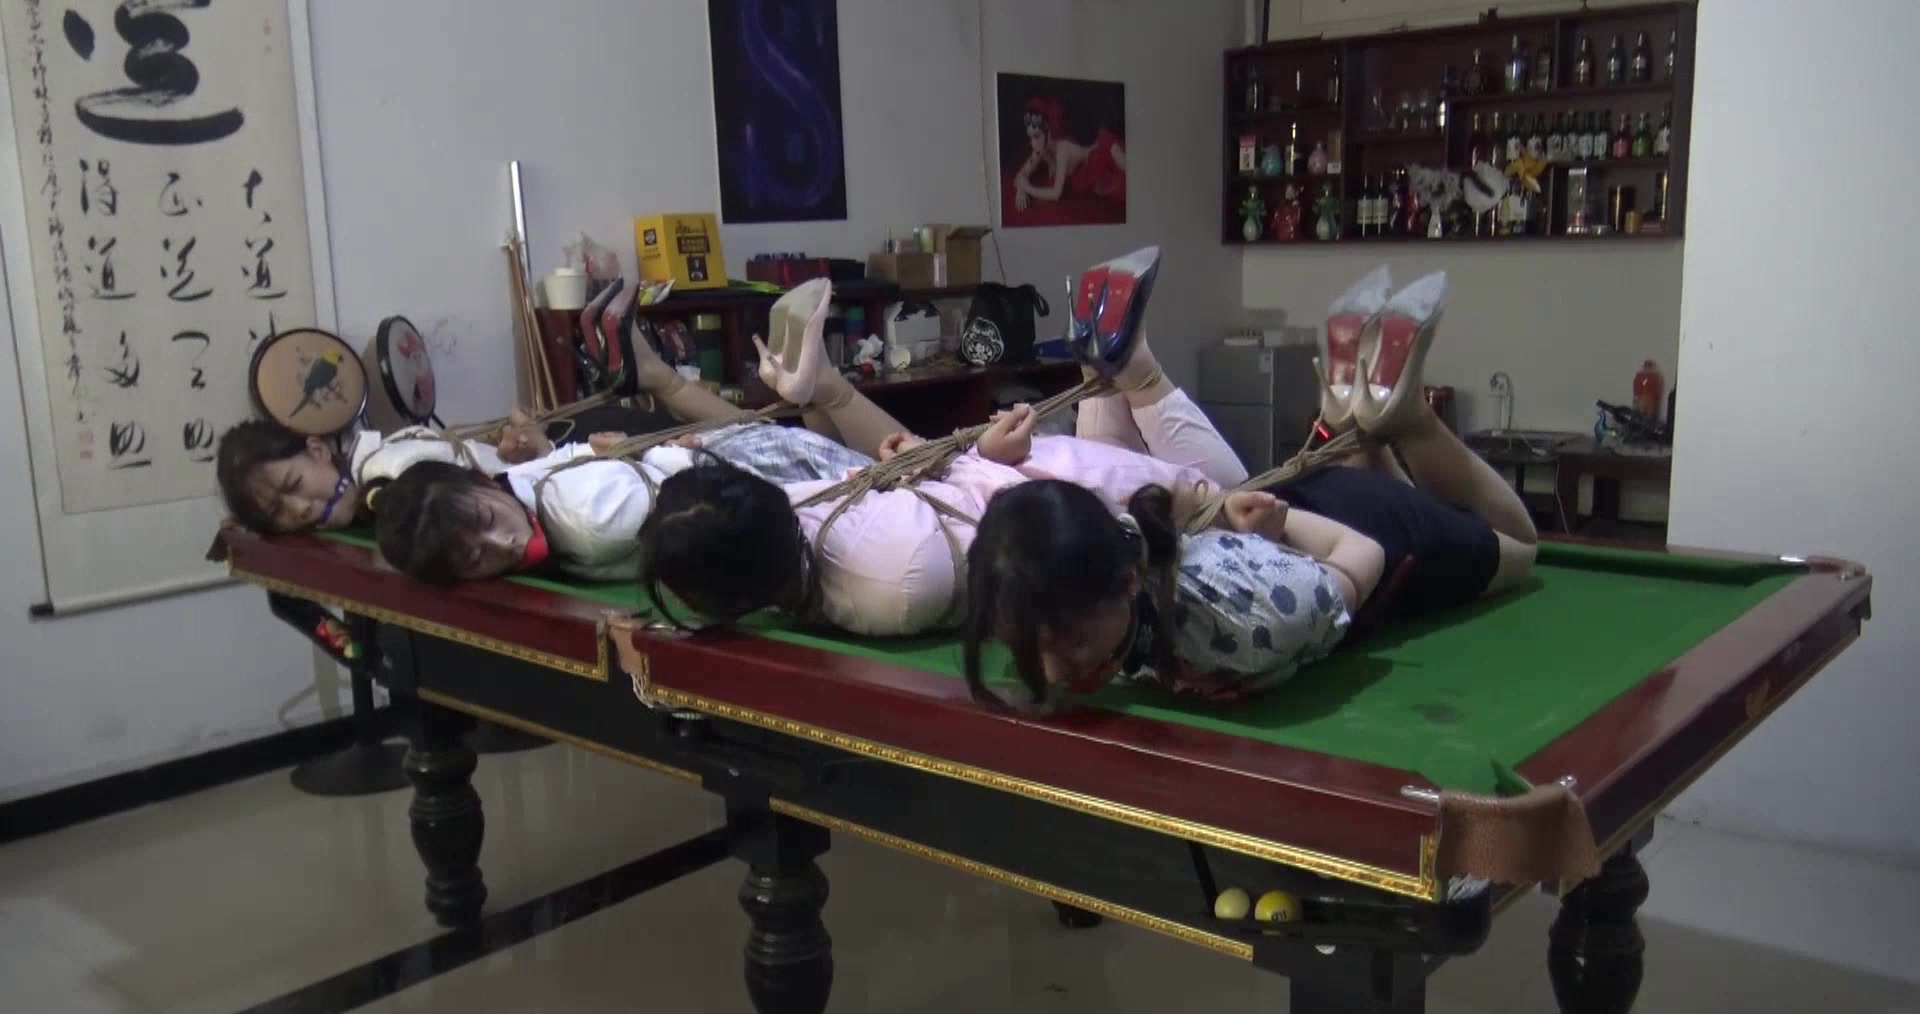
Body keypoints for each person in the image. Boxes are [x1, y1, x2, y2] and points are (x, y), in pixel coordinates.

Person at [962, 268, 1540, 706]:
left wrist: (1265, 526)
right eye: (1032, 649)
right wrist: (1233, 521)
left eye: (1073, 642)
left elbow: (1363, 552)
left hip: (1372, 538)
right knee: (1362, 470)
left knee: (1520, 544)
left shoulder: (1245, 630)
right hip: (1299, 509)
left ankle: (1409, 418)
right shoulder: (1089, 561)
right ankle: (1354, 416)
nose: (1054, 671)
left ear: (1129, 580)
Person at [639, 250, 1252, 637]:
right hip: (1042, 503)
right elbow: (994, 512)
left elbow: (890, 474)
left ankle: (1106, 370)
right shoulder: (892, 571)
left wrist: (915, 458)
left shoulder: (794, 550)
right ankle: (1135, 370)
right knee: (1226, 498)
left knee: (1106, 432)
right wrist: (979, 455)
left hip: (997, 494)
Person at [371, 283, 892, 584]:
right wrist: (646, 454)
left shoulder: (555, 502)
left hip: (730, 468)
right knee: (899, 474)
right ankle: (820, 387)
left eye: (488, 521)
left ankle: (810, 387)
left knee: (887, 465)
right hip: (731, 477)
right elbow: (692, 508)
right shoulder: (580, 518)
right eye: (475, 558)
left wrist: (559, 448)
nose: (503, 543)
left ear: (484, 482)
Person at [214, 313, 780, 537]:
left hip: (580, 449)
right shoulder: (373, 491)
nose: (300, 509)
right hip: (569, 465)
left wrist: (530, 449)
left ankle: (659, 377)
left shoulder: (386, 472)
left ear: (318, 451)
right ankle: (660, 378)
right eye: (278, 513)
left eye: (292, 486)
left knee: (764, 445)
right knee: (754, 447)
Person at [1014, 96, 1128, 212]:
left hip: (1099, 154)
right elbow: (1022, 173)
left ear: (1049, 132)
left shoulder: (1062, 150)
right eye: (1030, 137)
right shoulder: (1041, 149)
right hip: (1082, 175)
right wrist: (1020, 191)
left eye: (1037, 136)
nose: (1033, 144)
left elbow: (1056, 194)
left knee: (1127, 174)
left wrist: (1026, 187)